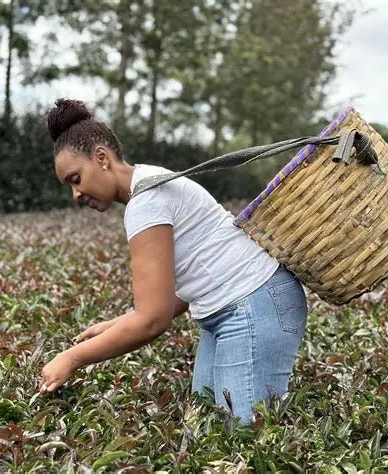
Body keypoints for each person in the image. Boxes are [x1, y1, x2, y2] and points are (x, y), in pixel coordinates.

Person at [39, 98, 309, 425]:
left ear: (101, 157)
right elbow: (188, 282)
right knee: (205, 424)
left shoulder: (146, 202)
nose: (76, 195)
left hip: (254, 302)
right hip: (236, 307)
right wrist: (117, 323)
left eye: (76, 179)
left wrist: (71, 358)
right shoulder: (150, 181)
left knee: (242, 434)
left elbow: (152, 320)